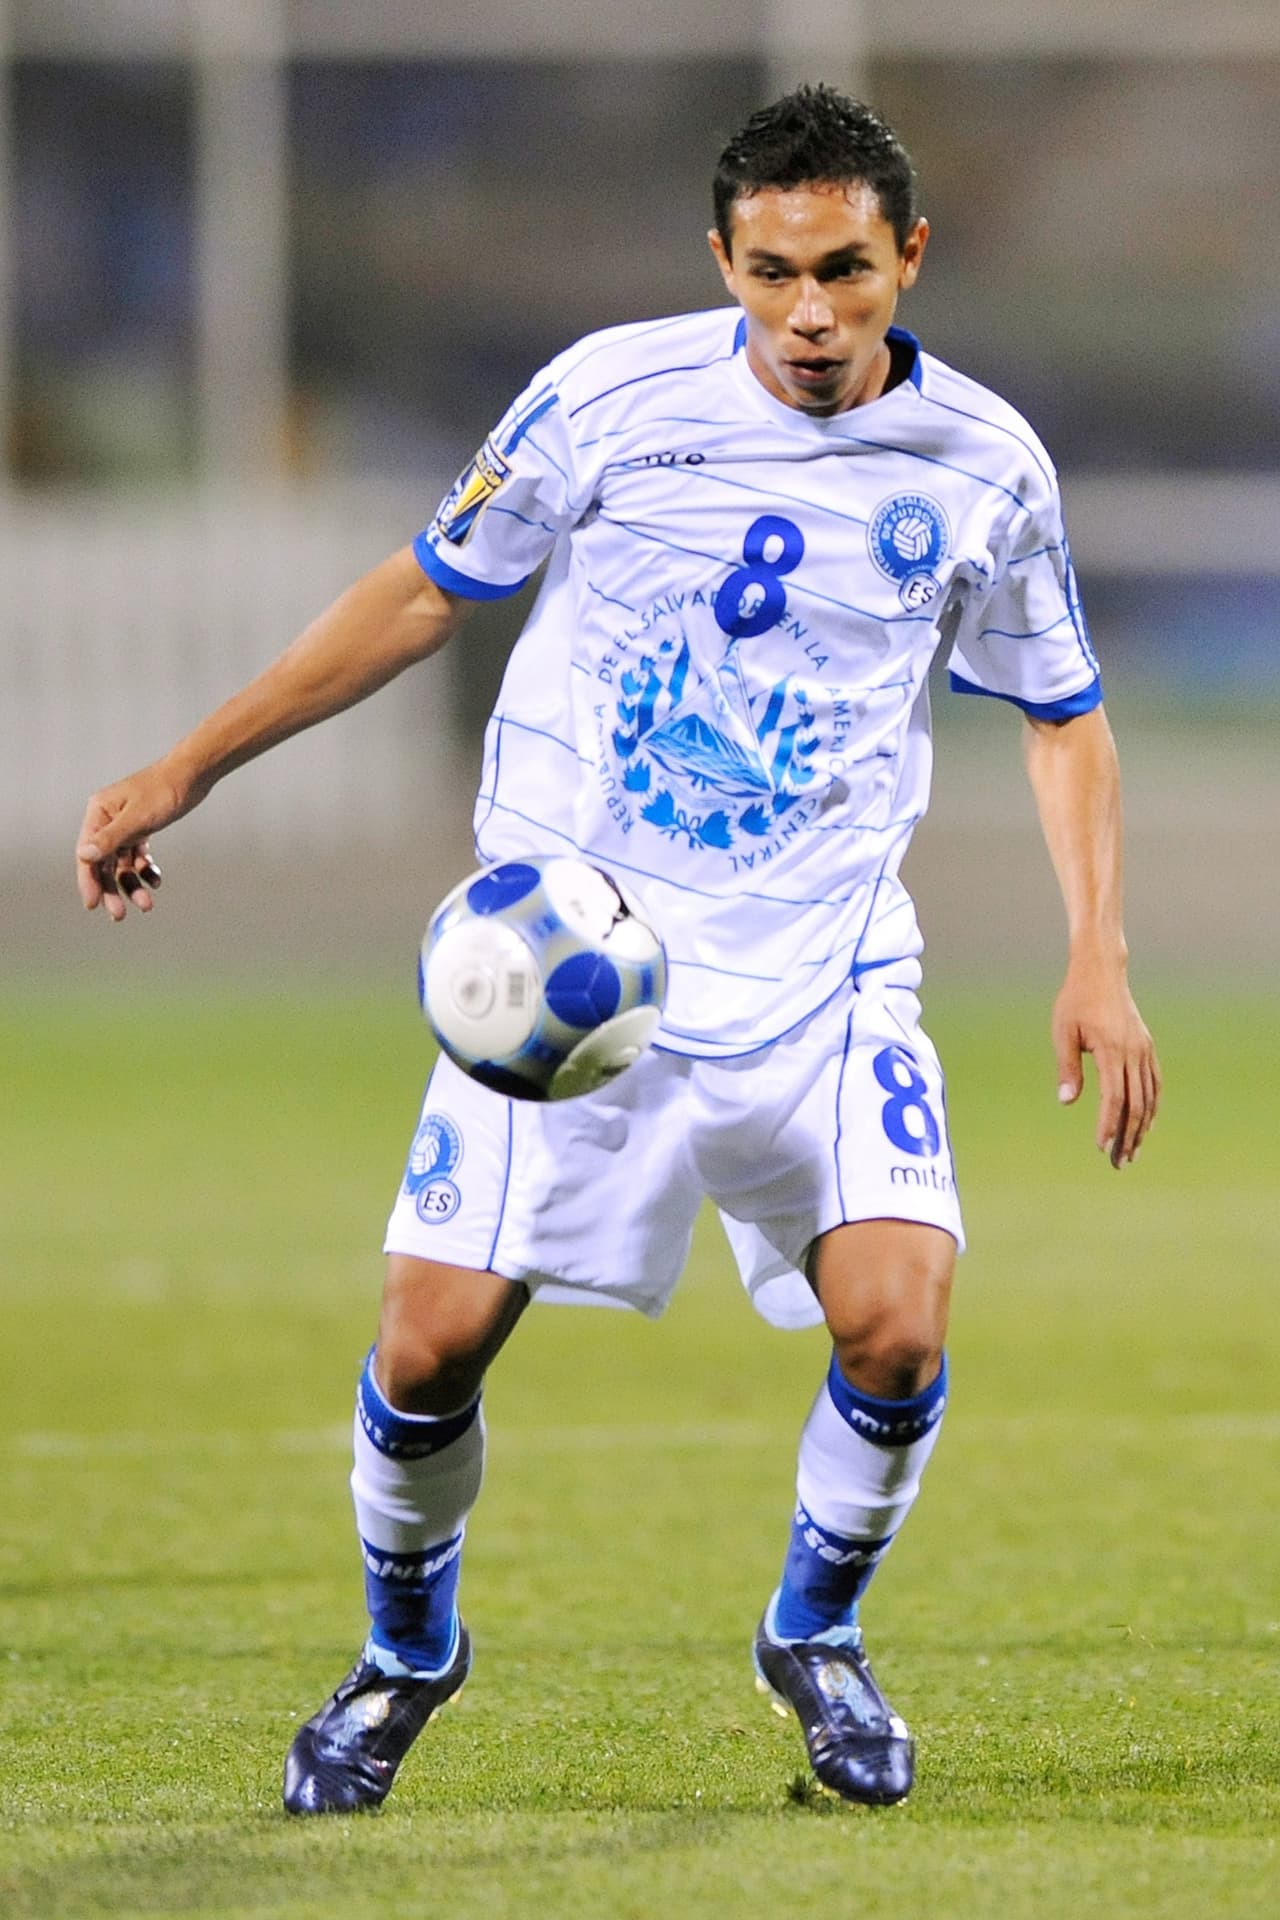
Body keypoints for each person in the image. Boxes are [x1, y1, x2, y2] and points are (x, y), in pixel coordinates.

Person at [75, 85, 1160, 1814]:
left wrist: (1097, 952)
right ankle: (403, 1654)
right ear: (721, 259)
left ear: (911, 259)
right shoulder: (600, 398)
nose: (812, 315)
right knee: (429, 1343)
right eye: (776, 273)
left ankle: (816, 1635)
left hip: (820, 968)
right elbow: (429, 588)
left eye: (850, 274)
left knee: (898, 1319)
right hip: (568, 963)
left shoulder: (987, 467)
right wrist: (185, 766)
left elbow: (1062, 716)